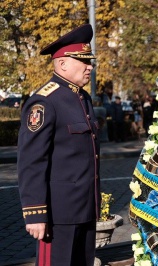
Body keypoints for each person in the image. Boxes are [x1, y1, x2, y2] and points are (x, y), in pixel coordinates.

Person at [17, 24, 100, 266]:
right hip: (58, 215)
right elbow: (31, 161)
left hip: (85, 208)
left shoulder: (82, 98)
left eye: (90, 61)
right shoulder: (44, 102)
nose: (90, 67)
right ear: (63, 63)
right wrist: (35, 213)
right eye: (84, 61)